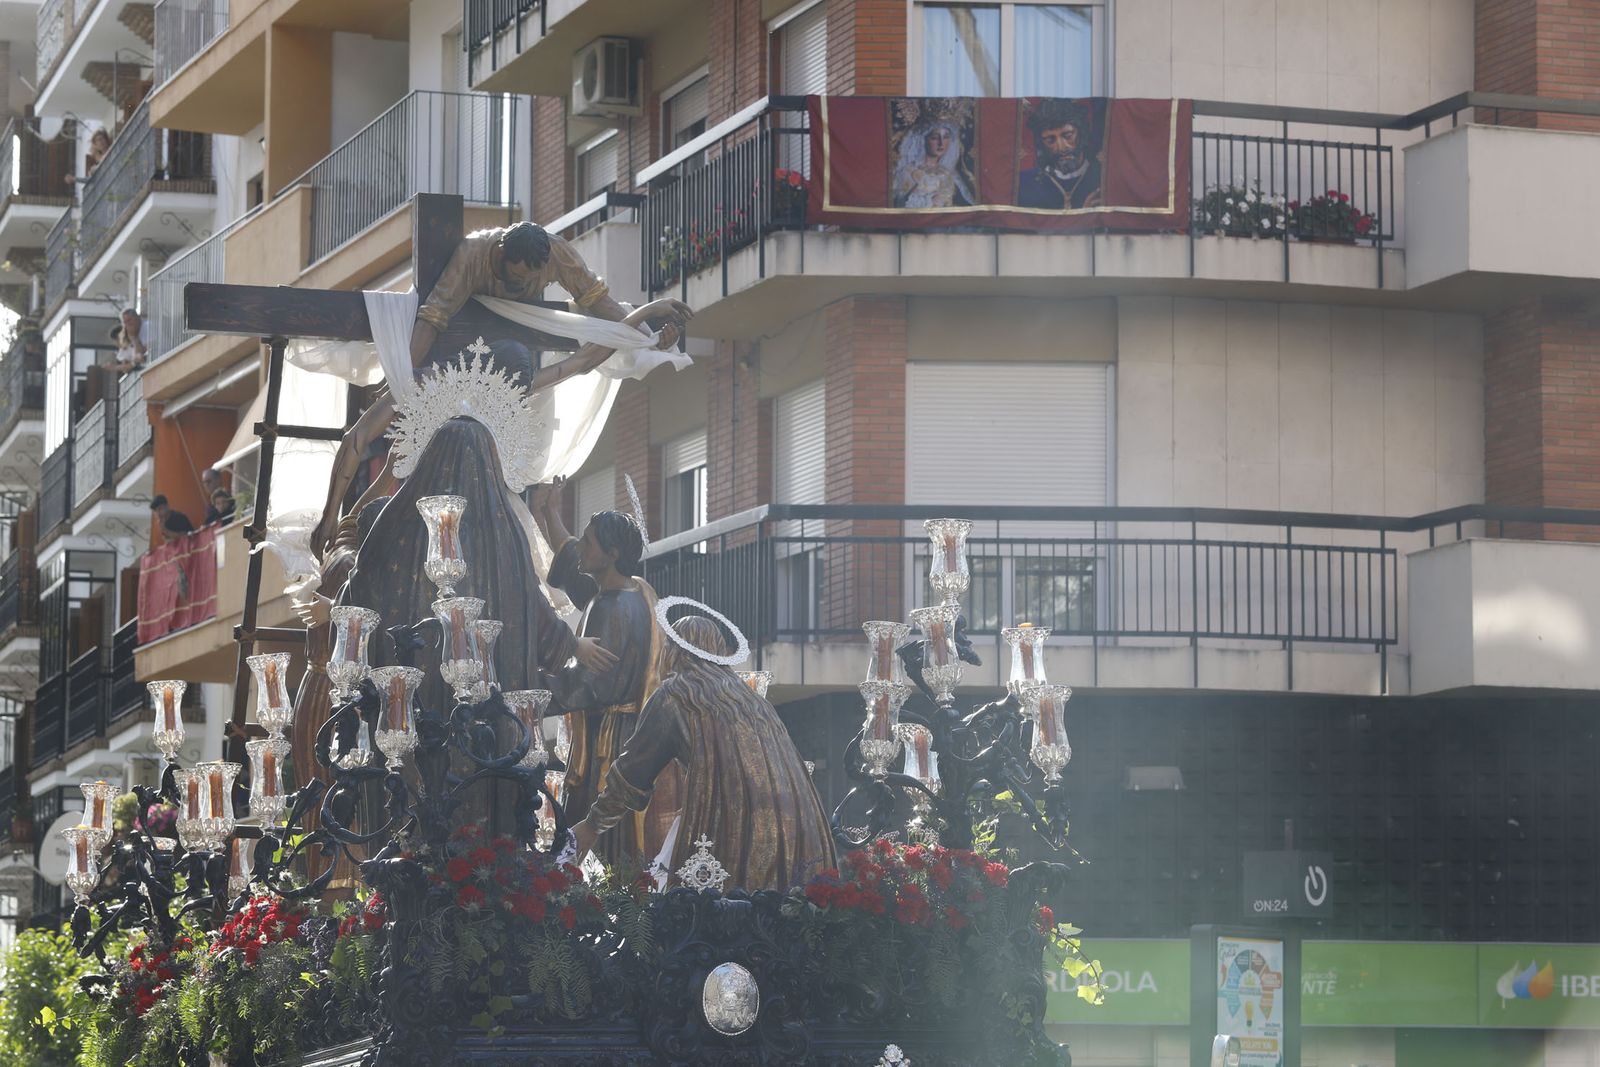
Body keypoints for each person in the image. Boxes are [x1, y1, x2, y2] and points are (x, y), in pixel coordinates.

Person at [312, 297, 692, 560]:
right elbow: (359, 439)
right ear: (491, 378)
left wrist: (647, 315)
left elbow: (587, 358)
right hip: (421, 513)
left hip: (482, 521)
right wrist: (332, 519)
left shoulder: (508, 386)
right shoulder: (425, 384)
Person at [570, 615, 835, 892]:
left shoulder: (676, 695)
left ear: (674, 650)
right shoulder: (755, 702)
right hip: (796, 840)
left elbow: (631, 775)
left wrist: (591, 826)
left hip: (730, 838)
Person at [532, 485, 678, 868]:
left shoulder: (610, 609)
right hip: (626, 734)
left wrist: (526, 692)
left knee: (598, 845)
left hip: (608, 746)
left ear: (611, 555)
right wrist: (548, 511)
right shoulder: (633, 592)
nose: (581, 547)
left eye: (589, 542)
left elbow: (585, 688)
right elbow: (570, 563)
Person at [410, 221, 662, 371]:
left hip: (516, 349)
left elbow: (598, 301)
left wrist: (651, 338)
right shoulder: (471, 254)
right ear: (500, 255)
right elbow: (433, 316)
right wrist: (402, 376)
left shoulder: (558, 253)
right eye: (519, 277)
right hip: (461, 347)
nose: (526, 284)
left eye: (534, 279)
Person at [1016, 99, 1103, 210]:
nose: (1061, 147)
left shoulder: (1100, 176)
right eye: (1050, 140)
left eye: (1068, 135)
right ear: (1041, 144)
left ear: (1082, 133)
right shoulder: (1024, 182)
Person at [892, 119, 974, 209]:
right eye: (934, 137)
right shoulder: (909, 171)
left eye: (946, 137)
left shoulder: (950, 174)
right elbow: (900, 205)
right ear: (924, 140)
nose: (941, 143)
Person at [110, 309, 147, 373]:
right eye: (125, 322)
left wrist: (134, 338)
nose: (129, 325)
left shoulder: (138, 335)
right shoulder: (126, 346)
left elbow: (140, 358)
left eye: (129, 320)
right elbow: (125, 369)